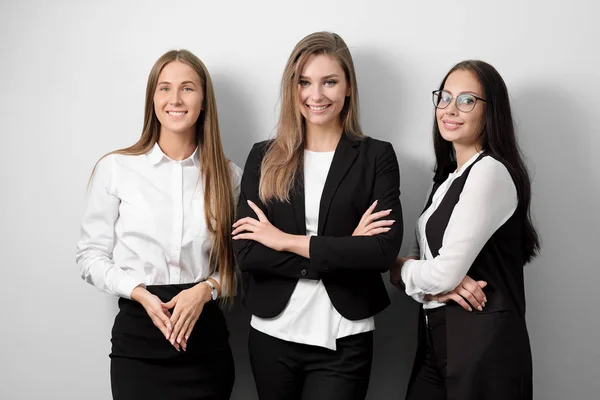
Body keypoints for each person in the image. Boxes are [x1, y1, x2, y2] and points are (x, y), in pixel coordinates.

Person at [232, 32, 403, 400]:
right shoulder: (264, 157)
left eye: (329, 82)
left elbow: (382, 252)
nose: (316, 95)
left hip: (345, 337)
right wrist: (343, 248)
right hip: (273, 335)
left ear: (348, 88)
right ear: (292, 88)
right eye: (304, 82)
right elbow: (247, 254)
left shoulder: (376, 157)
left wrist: (285, 241)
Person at [76, 49, 242, 399]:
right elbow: (90, 256)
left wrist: (206, 289)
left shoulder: (231, 177)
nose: (175, 99)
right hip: (138, 344)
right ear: (152, 99)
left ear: (203, 100)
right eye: (164, 88)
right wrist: (139, 292)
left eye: (187, 88)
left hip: (205, 343)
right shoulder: (116, 169)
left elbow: (244, 264)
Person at [391, 60, 540, 400]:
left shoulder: (490, 172)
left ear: (491, 111)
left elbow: (442, 273)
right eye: (444, 97)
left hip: (483, 348)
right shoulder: (448, 179)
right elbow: (435, 272)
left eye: (466, 100)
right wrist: (424, 282)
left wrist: (400, 269)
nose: (450, 109)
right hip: (437, 340)